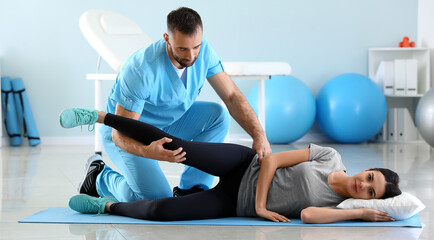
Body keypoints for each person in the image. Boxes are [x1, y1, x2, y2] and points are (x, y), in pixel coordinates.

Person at [61, 108, 401, 223]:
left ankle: (104, 205)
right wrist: (260, 205)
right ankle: (98, 116)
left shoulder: (339, 206)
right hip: (245, 166)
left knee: (161, 212)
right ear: (367, 168)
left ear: (369, 200)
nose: (364, 185)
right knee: (175, 145)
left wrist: (357, 212)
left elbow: (310, 216)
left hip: (231, 203)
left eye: (371, 192)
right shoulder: (331, 158)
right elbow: (272, 159)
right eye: (370, 177)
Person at [79, 7, 272, 201]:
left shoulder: (203, 51)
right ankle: (99, 177)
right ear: (167, 38)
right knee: (154, 199)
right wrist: (147, 151)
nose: (190, 56)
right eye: (182, 49)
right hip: (128, 133)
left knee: (217, 116)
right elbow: (119, 133)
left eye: (195, 47)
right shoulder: (140, 70)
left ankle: (191, 188)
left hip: (168, 122)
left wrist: (259, 135)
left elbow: (231, 96)